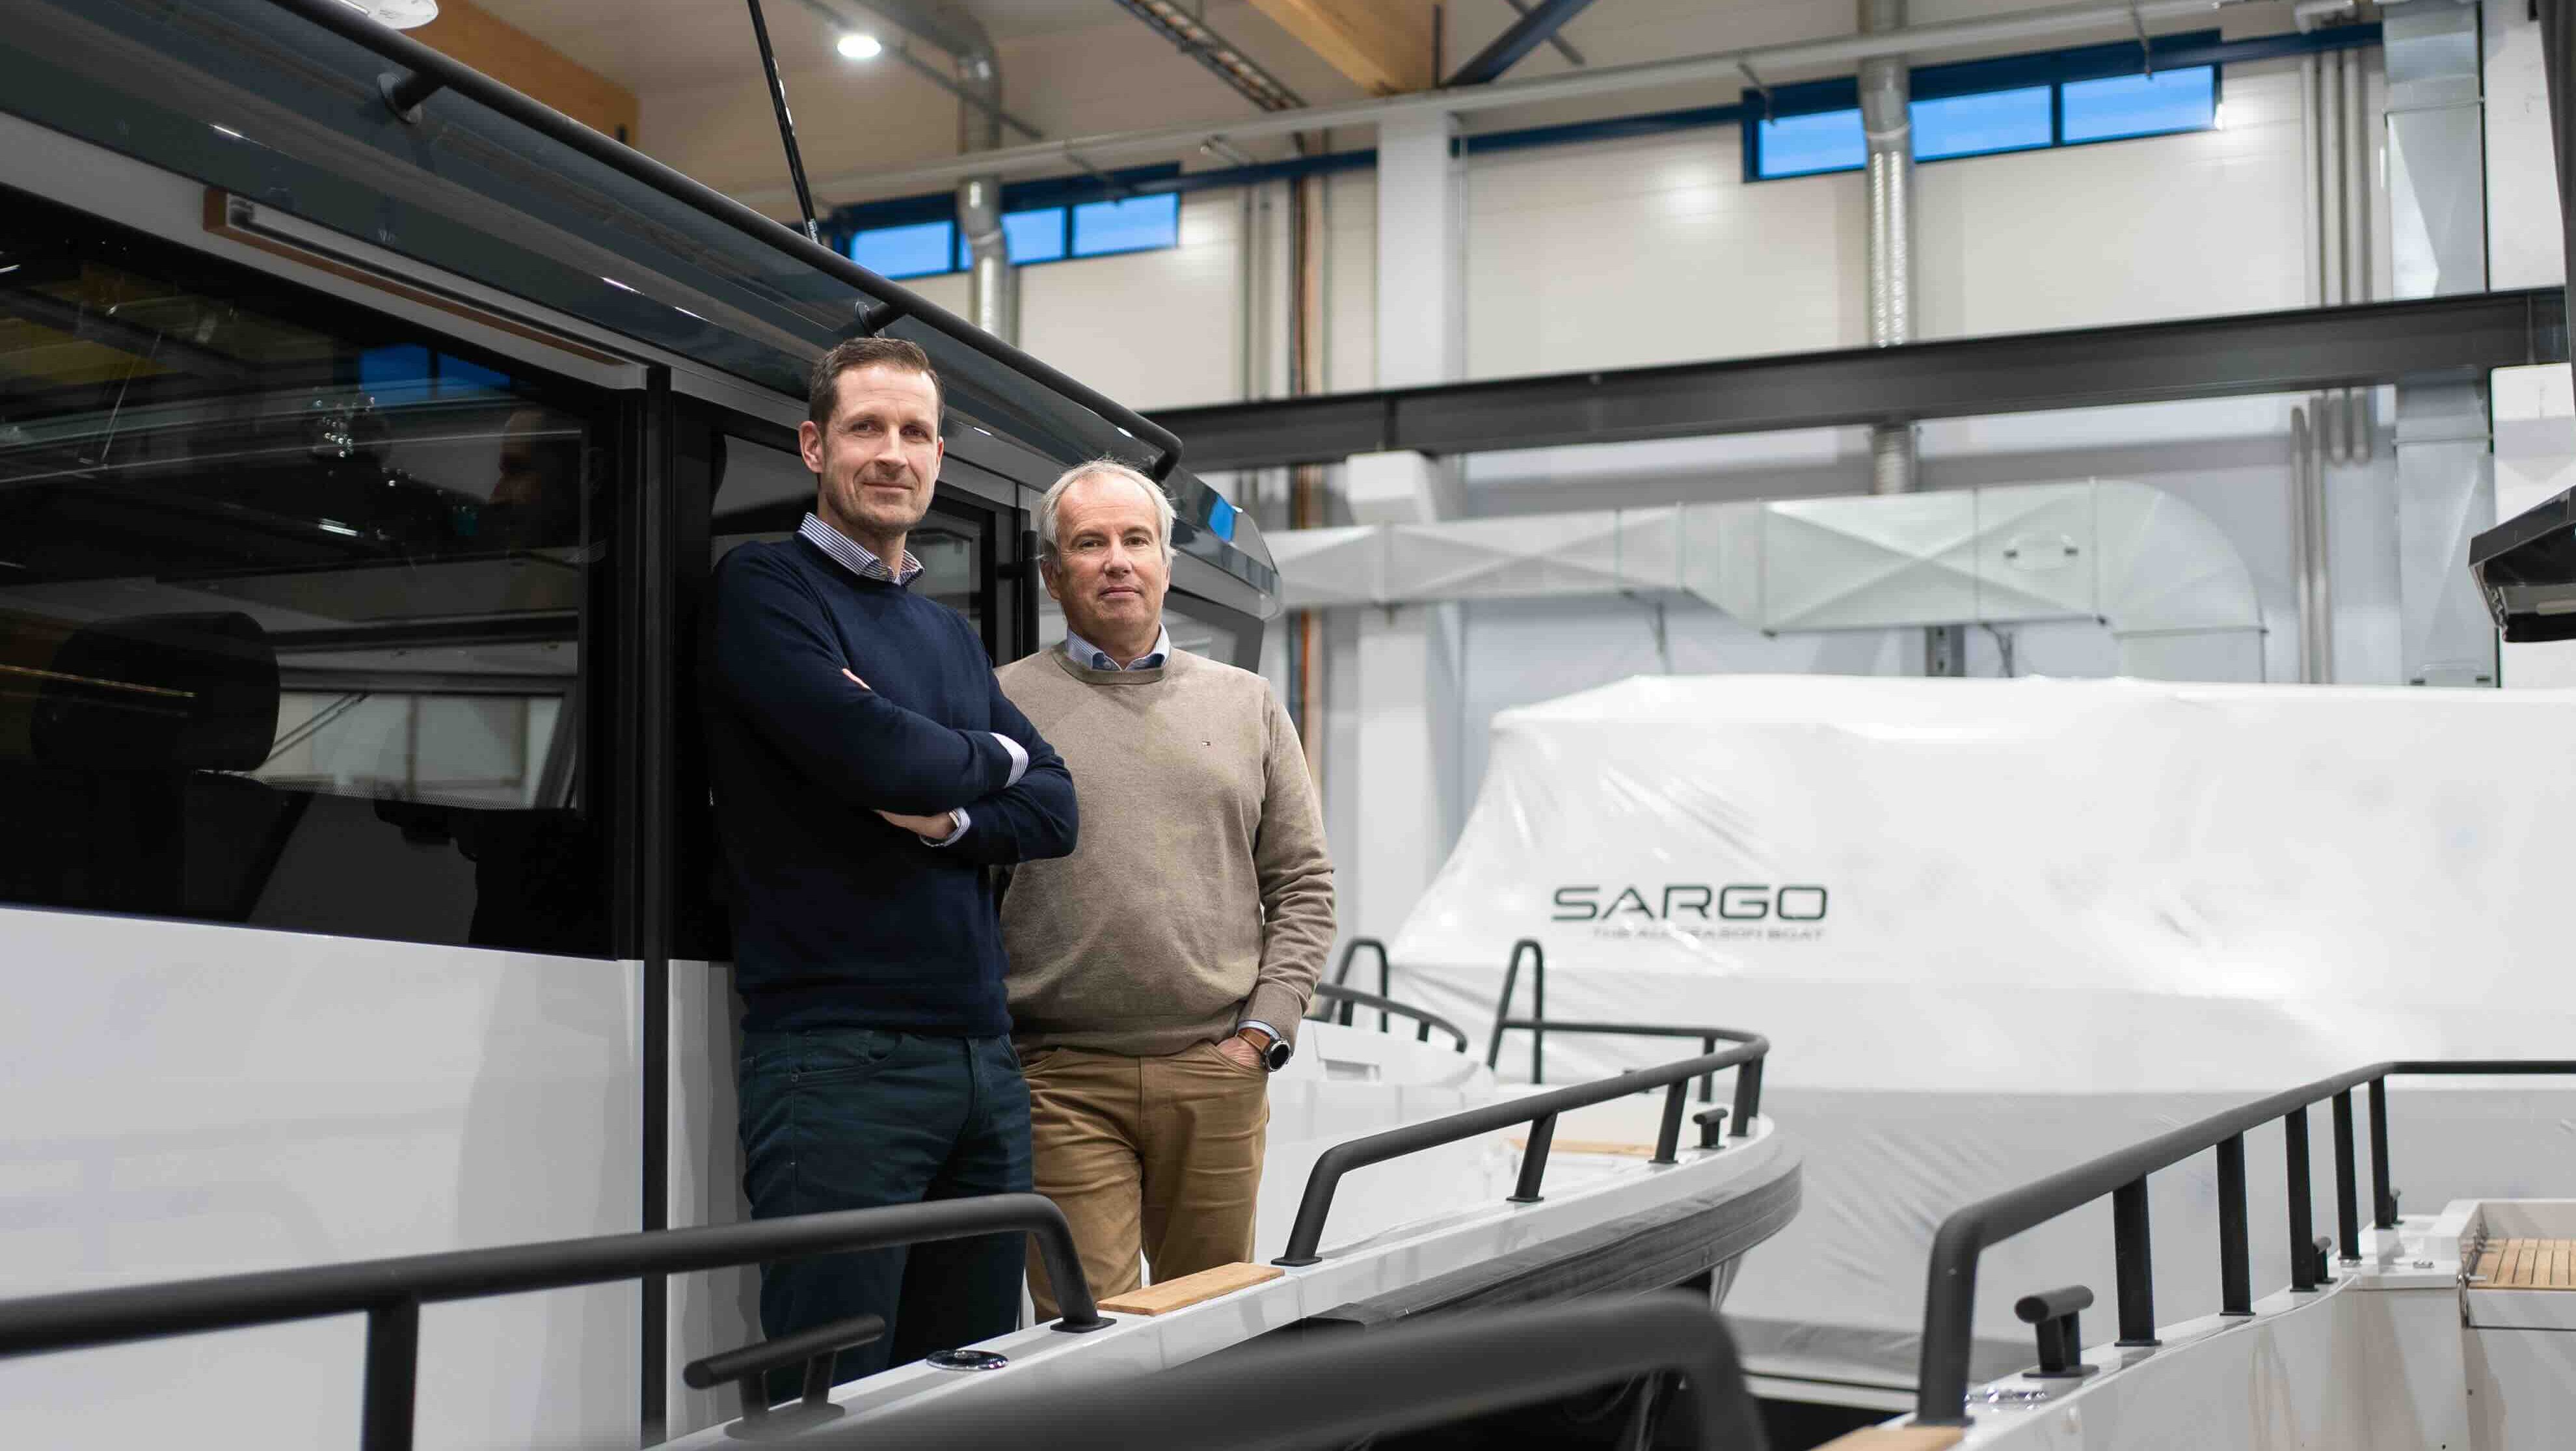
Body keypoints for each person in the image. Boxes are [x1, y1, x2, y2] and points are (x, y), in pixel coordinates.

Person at [704, 336, 1078, 1392]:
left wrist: (953, 816)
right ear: (815, 444)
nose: (893, 452)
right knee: (830, 1390)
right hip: (837, 1063)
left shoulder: (947, 637)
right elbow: (881, 753)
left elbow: (1054, 806)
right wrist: (987, 762)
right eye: (867, 427)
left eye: (916, 432)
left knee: (964, 1390)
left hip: (983, 1066)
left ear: (939, 457)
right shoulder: (766, 588)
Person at [995, 460, 1334, 1316]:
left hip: (1216, 1072)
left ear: (1166, 563)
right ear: (1051, 573)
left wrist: (1264, 1031)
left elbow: (1303, 882)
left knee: (1209, 1335)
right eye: (1090, 542)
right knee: (1088, 1337)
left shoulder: (1248, 704)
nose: (1117, 560)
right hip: (1060, 1084)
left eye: (1135, 539)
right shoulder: (999, 703)